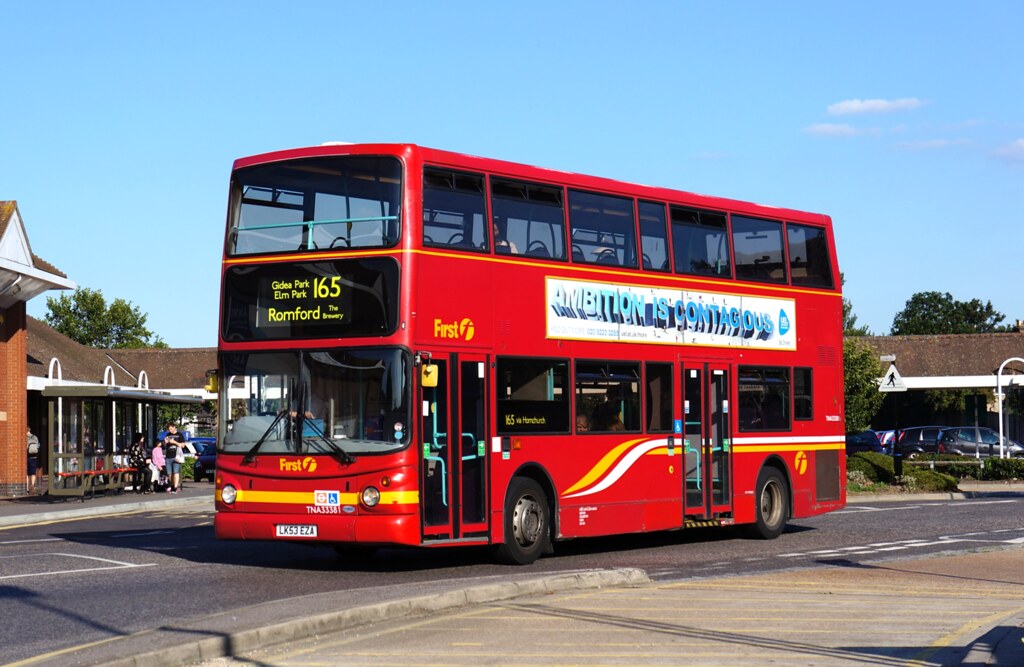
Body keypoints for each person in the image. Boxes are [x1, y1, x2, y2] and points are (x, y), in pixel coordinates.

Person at [163, 423, 195, 493]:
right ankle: (171, 485)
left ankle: (175, 487)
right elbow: (165, 445)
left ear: (174, 427)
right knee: (169, 474)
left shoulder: (179, 435)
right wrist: (165, 442)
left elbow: (183, 445)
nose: (170, 430)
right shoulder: (168, 435)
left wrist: (174, 442)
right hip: (168, 456)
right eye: (169, 429)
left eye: (171, 429)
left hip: (177, 456)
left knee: (176, 472)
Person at [26, 427, 40, 494]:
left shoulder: (25, 437)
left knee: (27, 473)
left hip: (27, 457)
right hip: (34, 457)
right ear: (30, 430)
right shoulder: (35, 437)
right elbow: (38, 446)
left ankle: (27, 488)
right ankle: (33, 485)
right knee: (33, 472)